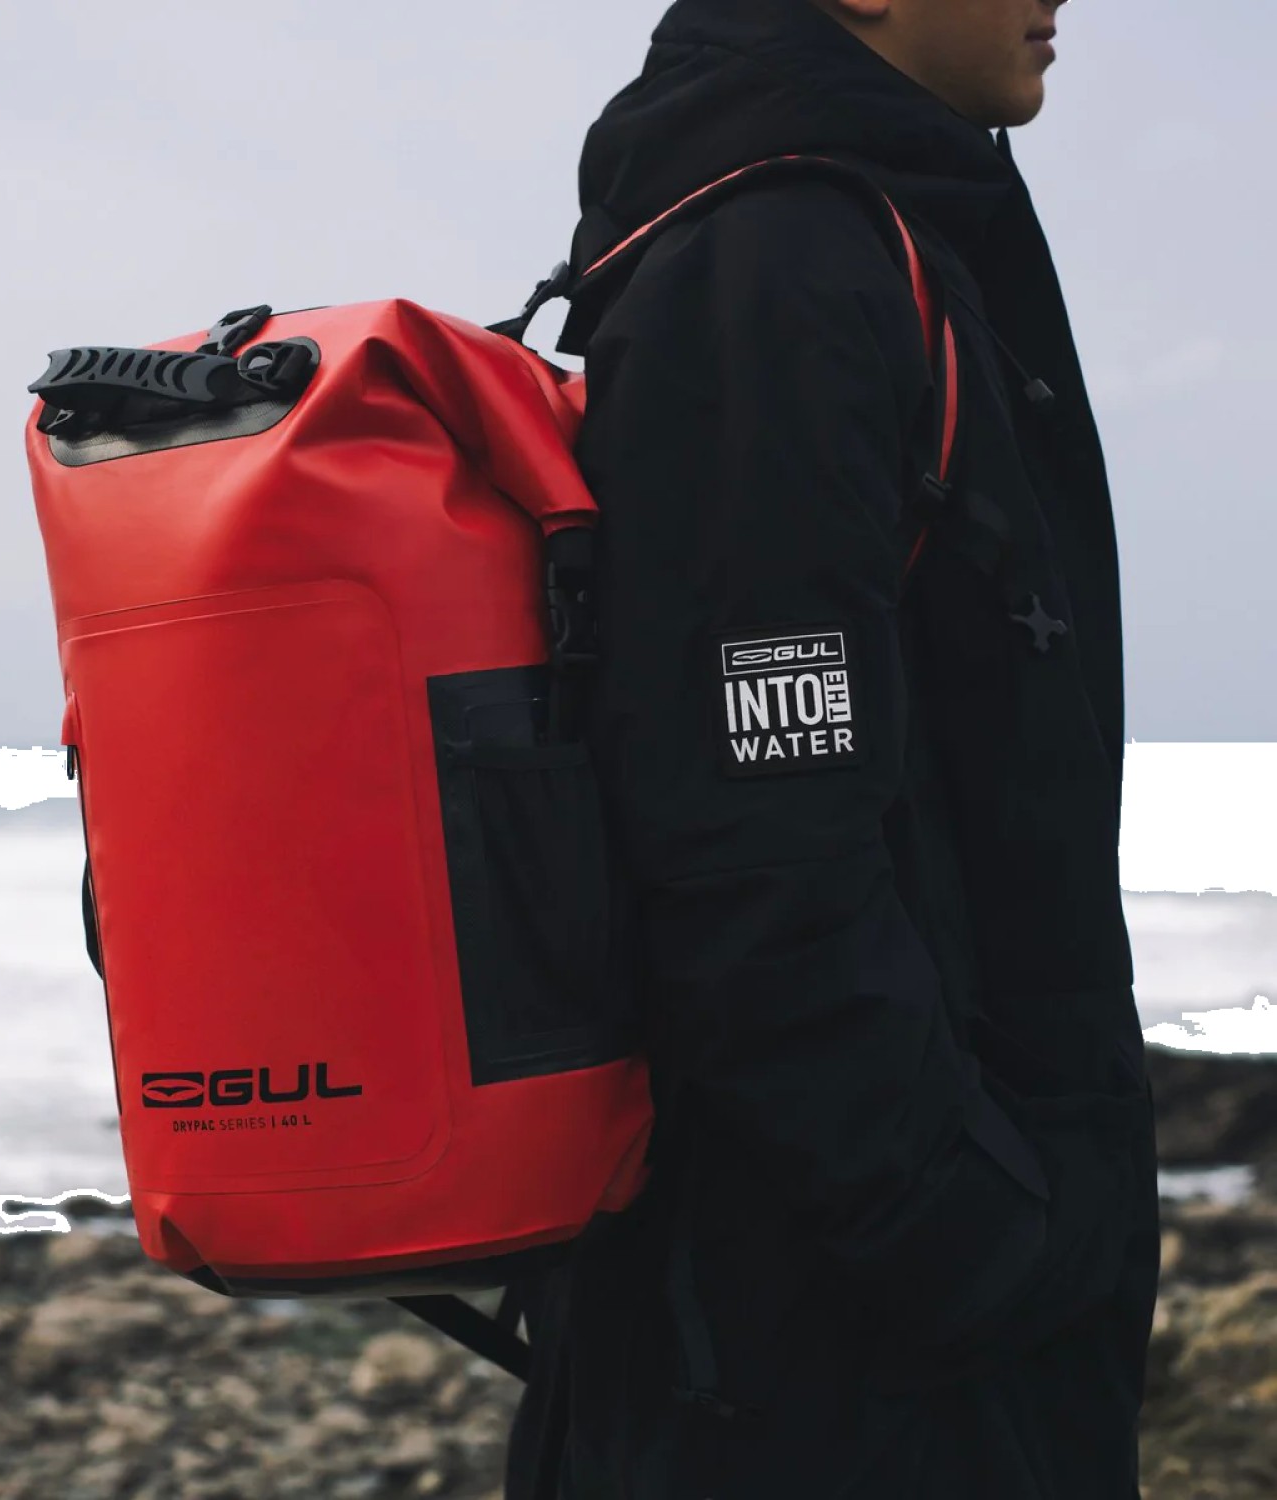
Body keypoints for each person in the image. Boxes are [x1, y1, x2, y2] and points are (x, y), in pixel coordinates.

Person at [504, 1, 1162, 1496]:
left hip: (861, 1329)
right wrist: (975, 1239)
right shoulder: (777, 267)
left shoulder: (874, 234)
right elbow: (750, 841)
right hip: (832, 1362)